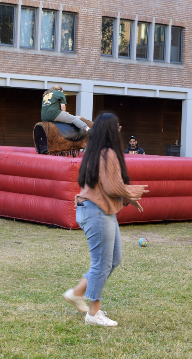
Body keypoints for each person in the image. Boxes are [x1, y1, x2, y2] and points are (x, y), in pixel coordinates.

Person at [62, 113, 148, 327]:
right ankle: (93, 313)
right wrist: (131, 191)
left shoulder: (95, 151)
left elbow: (105, 185)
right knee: (101, 263)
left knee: (114, 259)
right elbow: (112, 187)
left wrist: (128, 196)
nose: (119, 129)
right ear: (110, 130)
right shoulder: (107, 153)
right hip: (96, 212)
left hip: (98, 211)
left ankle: (77, 292)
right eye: (116, 126)